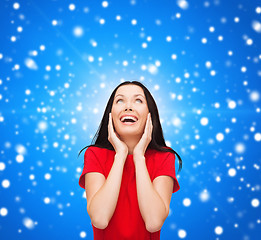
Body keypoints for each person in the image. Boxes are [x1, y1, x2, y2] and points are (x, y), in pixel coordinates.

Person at [78, 80, 182, 240]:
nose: (128, 106)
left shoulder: (164, 157)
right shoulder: (94, 154)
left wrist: (139, 157)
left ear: (150, 114)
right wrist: (120, 155)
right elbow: (99, 219)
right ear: (110, 114)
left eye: (138, 100)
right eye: (120, 100)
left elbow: (154, 222)